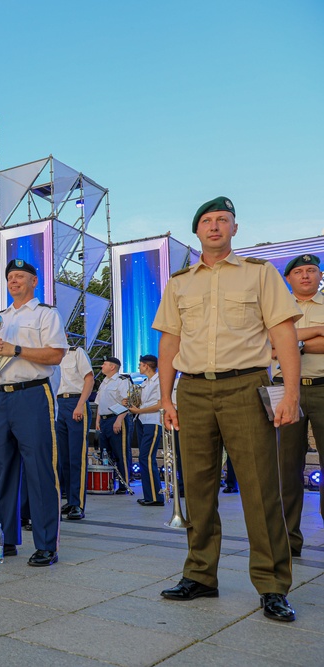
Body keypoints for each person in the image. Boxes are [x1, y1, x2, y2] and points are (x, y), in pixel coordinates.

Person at [154, 195, 301, 622]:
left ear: (235, 229)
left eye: (223, 220)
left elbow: (284, 333)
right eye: (207, 221)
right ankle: (200, 575)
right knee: (197, 488)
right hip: (194, 391)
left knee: (260, 489)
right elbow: (169, 343)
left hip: (246, 386)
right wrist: (166, 397)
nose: (214, 226)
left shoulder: (260, 274)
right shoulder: (180, 282)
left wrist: (289, 393)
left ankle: (273, 586)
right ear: (196, 231)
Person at [0, 259, 66, 566]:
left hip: (32, 393)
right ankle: (6, 538)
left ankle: (45, 545)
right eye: (10, 277)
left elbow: (55, 354)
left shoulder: (45, 313)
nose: (14, 281)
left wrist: (14, 349)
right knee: (2, 471)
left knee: (40, 471)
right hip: (0, 396)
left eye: (20, 276)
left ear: (34, 281)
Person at [275, 253, 324, 557]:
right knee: (285, 467)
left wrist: (292, 342)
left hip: (322, 388)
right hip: (284, 391)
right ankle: (288, 539)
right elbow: (267, 346)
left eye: (312, 270)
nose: (305, 276)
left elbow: (280, 344)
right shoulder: (277, 309)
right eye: (299, 271)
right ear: (288, 278)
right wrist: (313, 337)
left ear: (320, 275)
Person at [55, 345, 94, 520]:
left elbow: (89, 379)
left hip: (75, 402)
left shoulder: (76, 352)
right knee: (63, 458)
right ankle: (70, 500)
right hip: (58, 404)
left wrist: (80, 405)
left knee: (77, 456)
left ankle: (78, 503)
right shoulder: (51, 355)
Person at [128, 354, 163, 506]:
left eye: (140, 365)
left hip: (153, 421)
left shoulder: (159, 381)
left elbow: (160, 404)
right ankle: (149, 495)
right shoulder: (145, 382)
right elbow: (142, 402)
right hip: (142, 420)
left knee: (147, 458)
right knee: (143, 458)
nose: (138, 368)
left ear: (146, 366)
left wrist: (139, 411)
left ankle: (156, 497)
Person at [94, 356, 131, 494]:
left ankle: (124, 484)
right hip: (104, 420)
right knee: (106, 454)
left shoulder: (122, 381)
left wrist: (119, 420)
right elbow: (100, 402)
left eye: (104, 364)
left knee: (120, 453)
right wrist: (97, 420)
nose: (102, 366)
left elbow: (126, 402)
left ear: (112, 367)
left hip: (116, 418)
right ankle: (108, 483)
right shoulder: (104, 382)